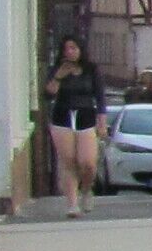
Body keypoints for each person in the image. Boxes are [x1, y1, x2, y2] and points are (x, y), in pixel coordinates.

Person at [44, 34, 106, 217]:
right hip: (62, 116)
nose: (70, 52)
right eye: (66, 49)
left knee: (88, 162)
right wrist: (58, 76)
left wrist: (102, 123)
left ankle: (86, 189)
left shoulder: (91, 69)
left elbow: (100, 97)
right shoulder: (56, 69)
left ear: (80, 50)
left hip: (85, 115)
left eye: (73, 48)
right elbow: (48, 94)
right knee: (68, 161)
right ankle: (72, 204)